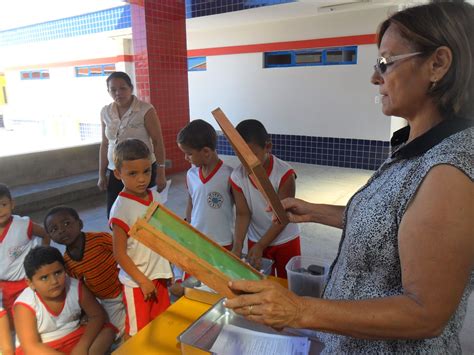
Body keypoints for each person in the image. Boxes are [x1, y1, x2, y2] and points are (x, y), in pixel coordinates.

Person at [224, 2, 474, 353]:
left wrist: (299, 309)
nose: (375, 77)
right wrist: (314, 211)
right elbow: (395, 226)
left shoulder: (450, 168)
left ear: (438, 63)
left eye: (386, 63)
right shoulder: (416, 147)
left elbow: (426, 313)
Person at [109, 138, 172, 337]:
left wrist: (167, 269)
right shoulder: (121, 209)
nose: (142, 179)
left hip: (158, 276)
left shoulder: (155, 197)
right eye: (133, 174)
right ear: (118, 174)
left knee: (162, 325)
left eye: (147, 171)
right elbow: (119, 254)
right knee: (139, 334)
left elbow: (162, 236)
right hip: (137, 283)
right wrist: (143, 281)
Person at [229, 119, 301, 278]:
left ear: (268, 146)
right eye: (239, 155)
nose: (245, 161)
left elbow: (283, 217)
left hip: (285, 240)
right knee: (261, 284)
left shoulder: (284, 174)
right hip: (256, 240)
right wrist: (238, 246)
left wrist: (262, 245)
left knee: (287, 285)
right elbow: (243, 214)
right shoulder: (237, 176)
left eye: (251, 154)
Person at [172, 119, 235, 296]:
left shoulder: (229, 175)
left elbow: (243, 212)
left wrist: (237, 245)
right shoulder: (191, 174)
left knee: (219, 288)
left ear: (206, 152)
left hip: (222, 243)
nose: (186, 158)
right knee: (194, 287)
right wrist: (187, 227)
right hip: (197, 241)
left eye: (189, 154)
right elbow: (191, 202)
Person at [13, 246, 115, 354]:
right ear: (30, 283)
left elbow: (97, 315)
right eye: (44, 277)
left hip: (74, 336)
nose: (54, 281)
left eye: (58, 273)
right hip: (43, 348)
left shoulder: (75, 287)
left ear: (65, 269)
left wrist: (82, 346)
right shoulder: (24, 305)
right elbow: (31, 346)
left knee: (108, 332)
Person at [44, 206, 125, 340]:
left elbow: (124, 251)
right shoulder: (68, 262)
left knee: (142, 317)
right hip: (109, 300)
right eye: (54, 229)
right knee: (118, 333)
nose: (62, 230)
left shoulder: (99, 240)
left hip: (127, 286)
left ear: (80, 224)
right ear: (51, 237)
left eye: (66, 223)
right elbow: (81, 287)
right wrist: (85, 312)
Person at [97, 71, 167, 218]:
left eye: (123, 88)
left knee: (144, 213)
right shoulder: (105, 112)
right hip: (116, 171)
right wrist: (101, 174)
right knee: (115, 213)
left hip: (141, 170)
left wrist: (161, 172)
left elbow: (158, 141)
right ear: (108, 91)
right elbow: (104, 144)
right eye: (113, 89)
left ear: (131, 88)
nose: (118, 93)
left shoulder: (145, 109)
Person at [0, 183, 50, 328]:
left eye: (3, 204)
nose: (0, 210)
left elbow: (45, 234)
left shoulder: (23, 224)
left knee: (35, 317)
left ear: (12, 204)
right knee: (11, 323)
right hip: (4, 287)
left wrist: (42, 258)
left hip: (27, 281)